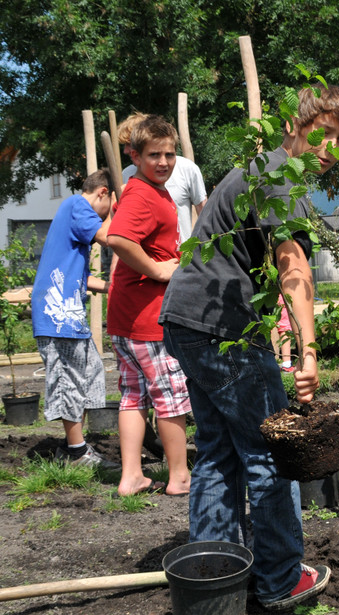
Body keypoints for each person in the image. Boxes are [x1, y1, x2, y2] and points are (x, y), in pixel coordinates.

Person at [159, 85, 339, 611]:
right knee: (272, 452)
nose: (329, 149)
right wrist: (310, 353)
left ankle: (216, 574)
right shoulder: (277, 180)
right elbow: (295, 273)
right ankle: (278, 579)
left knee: (218, 456)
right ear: (296, 126)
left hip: (185, 320)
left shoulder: (258, 172)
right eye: (322, 133)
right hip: (220, 330)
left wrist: (281, 335)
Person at [107, 115, 192, 497]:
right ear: (134, 154)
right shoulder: (141, 193)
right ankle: (180, 477)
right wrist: (158, 270)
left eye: (170, 154)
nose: (163, 162)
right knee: (170, 396)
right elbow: (119, 239)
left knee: (133, 395)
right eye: (154, 154)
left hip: (125, 315)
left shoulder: (143, 189)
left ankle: (132, 477)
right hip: (147, 318)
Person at [30, 169, 118, 467]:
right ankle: (77, 451)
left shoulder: (73, 217)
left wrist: (113, 288)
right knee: (68, 379)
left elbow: (81, 277)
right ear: (102, 193)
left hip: (69, 312)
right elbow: (109, 237)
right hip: (57, 313)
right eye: (110, 208)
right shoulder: (78, 205)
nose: (107, 215)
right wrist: (124, 219)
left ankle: (72, 447)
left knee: (89, 371)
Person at [118, 112, 208, 244]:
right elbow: (121, 234)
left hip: (181, 258)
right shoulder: (127, 175)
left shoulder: (187, 169)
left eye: (129, 144)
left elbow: (205, 214)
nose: (126, 151)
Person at [269, 294, 294, 372]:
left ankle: (267, 361)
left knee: (265, 325)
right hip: (280, 293)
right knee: (284, 327)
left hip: (263, 293)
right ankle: (286, 364)